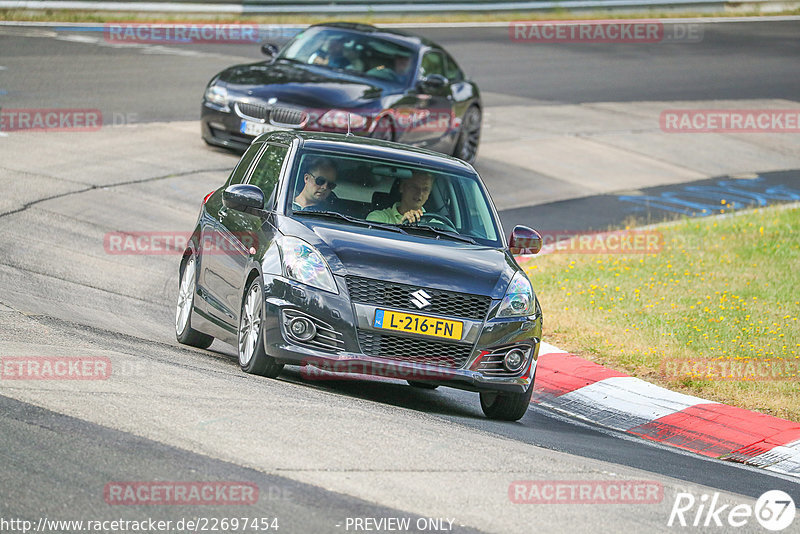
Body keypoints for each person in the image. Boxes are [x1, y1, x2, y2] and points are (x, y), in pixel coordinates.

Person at [367, 171, 433, 224]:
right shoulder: (378, 218)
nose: (420, 193)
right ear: (402, 187)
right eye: (414, 187)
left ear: (429, 194)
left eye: (425, 189)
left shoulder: (436, 224)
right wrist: (401, 226)